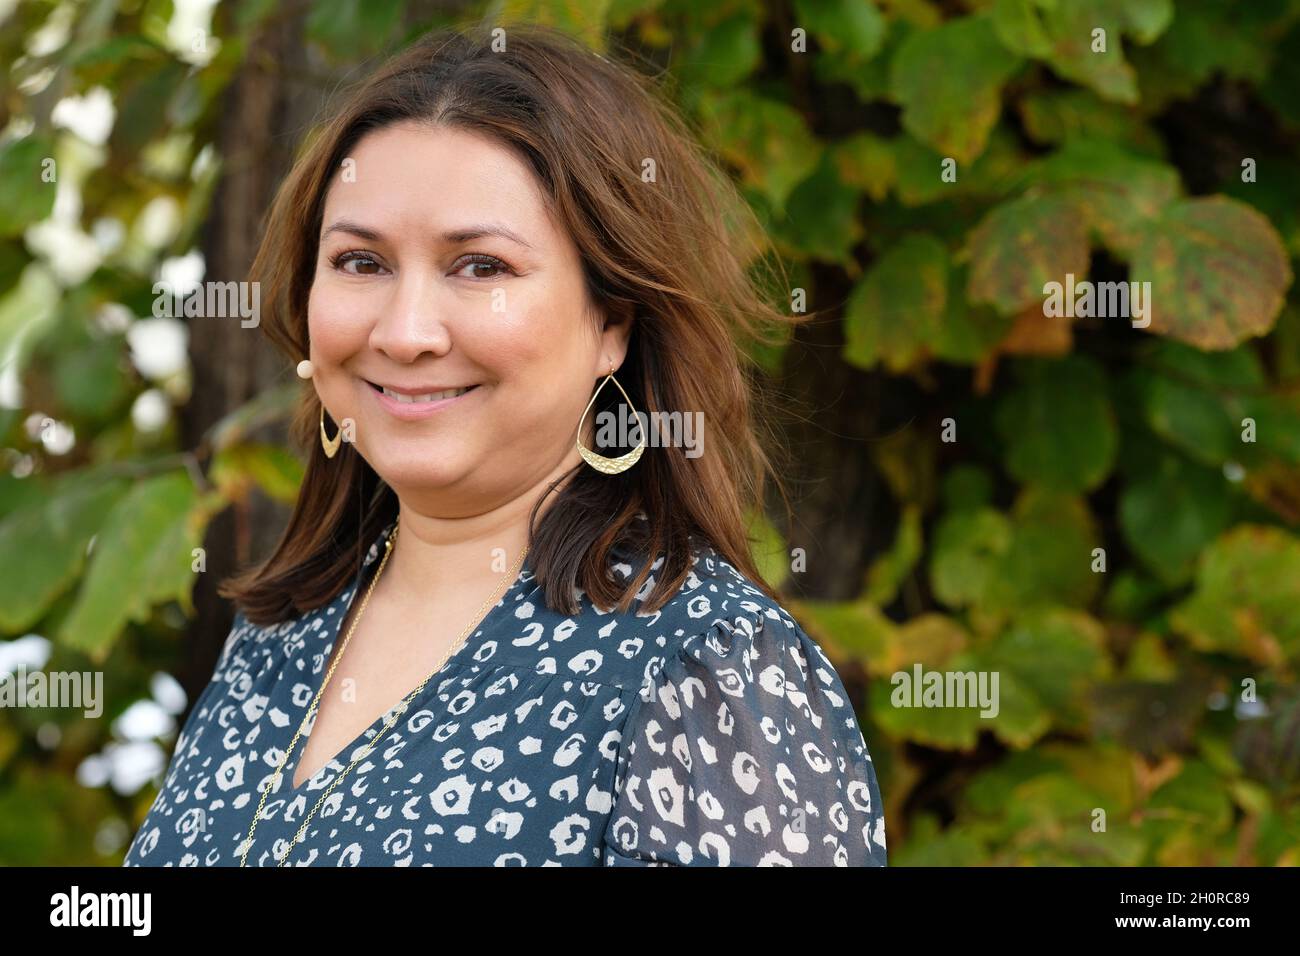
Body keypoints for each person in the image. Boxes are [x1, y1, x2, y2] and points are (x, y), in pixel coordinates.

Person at [123, 23, 887, 867]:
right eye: (360, 262)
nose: (405, 332)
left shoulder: (711, 672)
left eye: (480, 266)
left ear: (612, 323)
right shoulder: (279, 635)